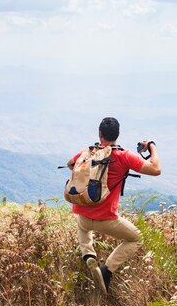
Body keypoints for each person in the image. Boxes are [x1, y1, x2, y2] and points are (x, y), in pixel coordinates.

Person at [65, 117, 161, 294]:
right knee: (136, 238)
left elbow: (70, 164)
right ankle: (106, 270)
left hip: (84, 218)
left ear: (100, 134)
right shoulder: (124, 156)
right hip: (107, 219)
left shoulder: (88, 152)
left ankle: (88, 253)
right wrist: (152, 146)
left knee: (83, 225)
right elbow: (156, 169)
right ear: (117, 135)